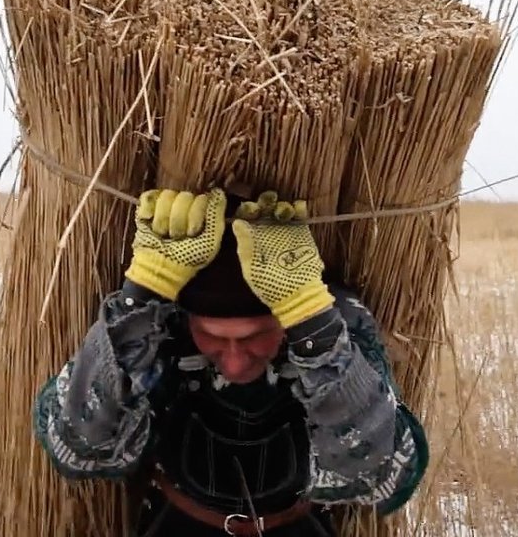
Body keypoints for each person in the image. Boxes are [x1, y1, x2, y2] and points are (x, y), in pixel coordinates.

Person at [33, 187, 429, 536]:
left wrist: (311, 321)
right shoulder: (156, 330)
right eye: (214, 338)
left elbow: (383, 476)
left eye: (256, 336)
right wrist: (144, 291)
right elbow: (78, 448)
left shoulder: (333, 323)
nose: (236, 364)